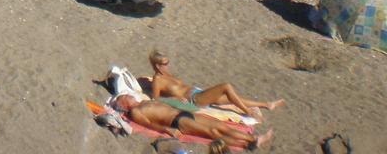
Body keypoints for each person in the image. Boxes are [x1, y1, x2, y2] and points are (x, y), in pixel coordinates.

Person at [148, 51, 285, 119]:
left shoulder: (167, 74)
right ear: (158, 66)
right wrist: (175, 99)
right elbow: (155, 98)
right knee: (226, 86)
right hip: (194, 100)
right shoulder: (157, 80)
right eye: (166, 64)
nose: (168, 65)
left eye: (168, 62)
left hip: (197, 93)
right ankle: (248, 112)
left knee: (232, 98)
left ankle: (267, 105)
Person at [112, 96, 273, 150]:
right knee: (213, 134)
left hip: (183, 113)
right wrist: (168, 130)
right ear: (124, 104)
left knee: (220, 126)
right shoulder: (135, 112)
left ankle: (251, 140)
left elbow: (167, 104)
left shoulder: (144, 102)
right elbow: (150, 125)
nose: (129, 95)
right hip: (177, 121)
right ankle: (250, 142)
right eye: (125, 97)